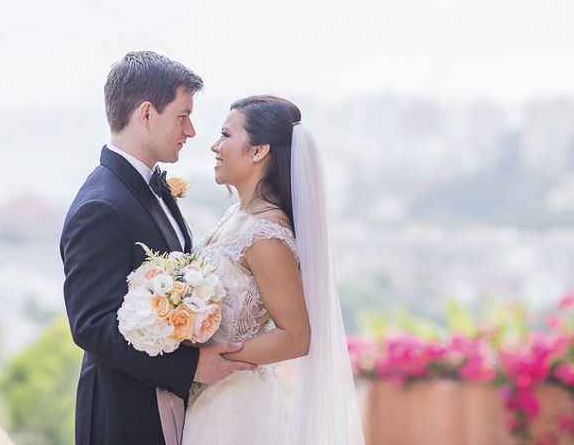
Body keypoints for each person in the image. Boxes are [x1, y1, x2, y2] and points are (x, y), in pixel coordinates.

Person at [60, 51, 256, 445]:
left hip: (172, 407)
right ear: (147, 114)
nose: (192, 131)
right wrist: (190, 366)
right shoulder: (102, 205)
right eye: (183, 116)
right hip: (125, 414)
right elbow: (91, 325)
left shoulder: (150, 187)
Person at [182, 95, 366, 445]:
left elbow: (297, 336)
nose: (214, 146)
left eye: (225, 135)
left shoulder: (265, 234)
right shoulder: (234, 215)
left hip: (234, 404)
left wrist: (213, 358)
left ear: (258, 151)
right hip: (208, 394)